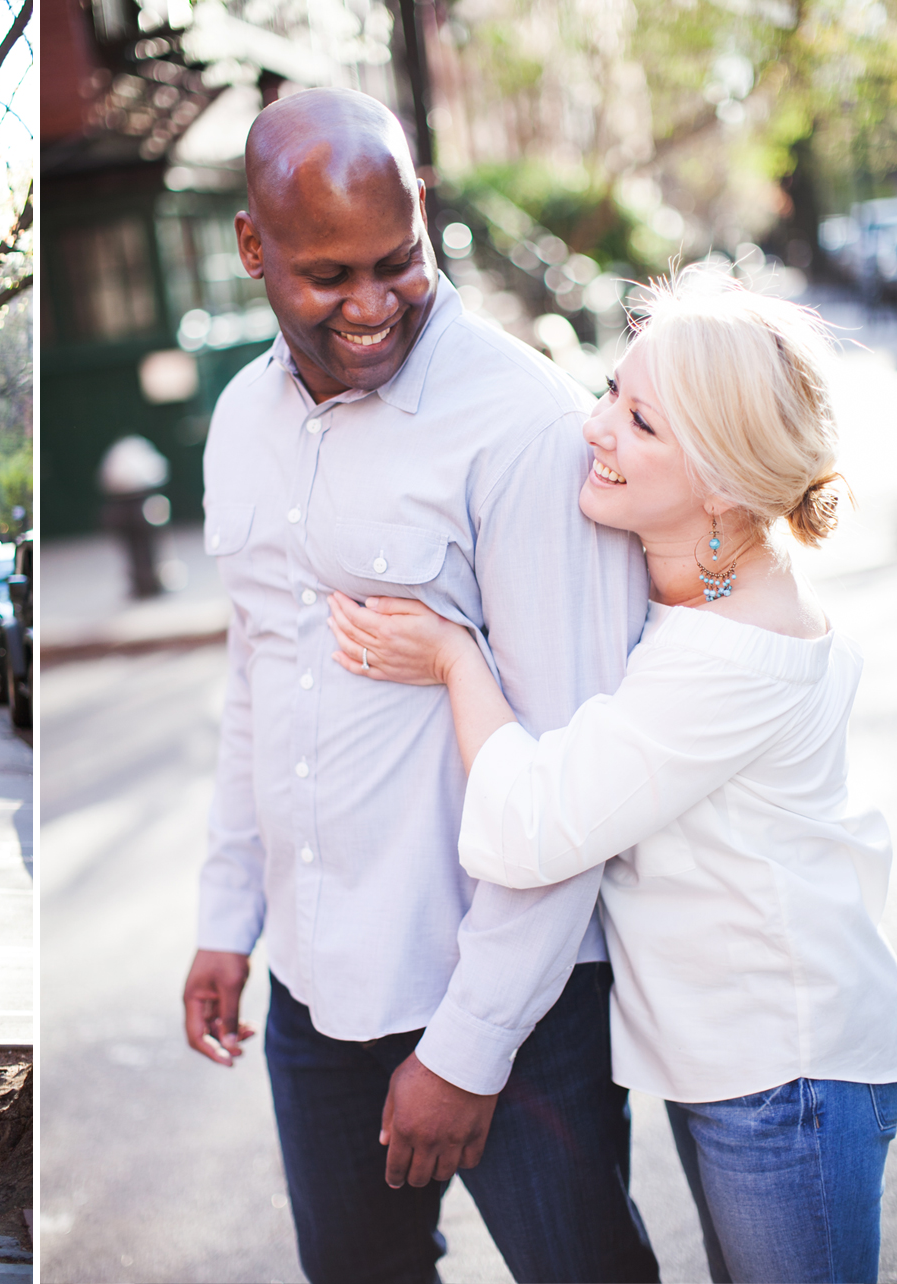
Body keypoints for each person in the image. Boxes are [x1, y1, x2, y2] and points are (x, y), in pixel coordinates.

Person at [328, 270, 897, 1284]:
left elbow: (530, 828)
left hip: (784, 1071)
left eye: (639, 420)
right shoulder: (700, 590)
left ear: (721, 481)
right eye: (608, 392)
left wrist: (458, 660)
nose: (593, 429)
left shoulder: (730, 656)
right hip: (735, 1057)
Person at [180, 87, 661, 1283]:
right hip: (314, 992)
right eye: (324, 275)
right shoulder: (239, 419)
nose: (370, 306)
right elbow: (260, 682)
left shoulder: (521, 424)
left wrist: (468, 1047)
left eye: (396, 262)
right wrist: (224, 919)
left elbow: (575, 773)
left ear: (423, 212)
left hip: (510, 1002)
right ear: (253, 249)